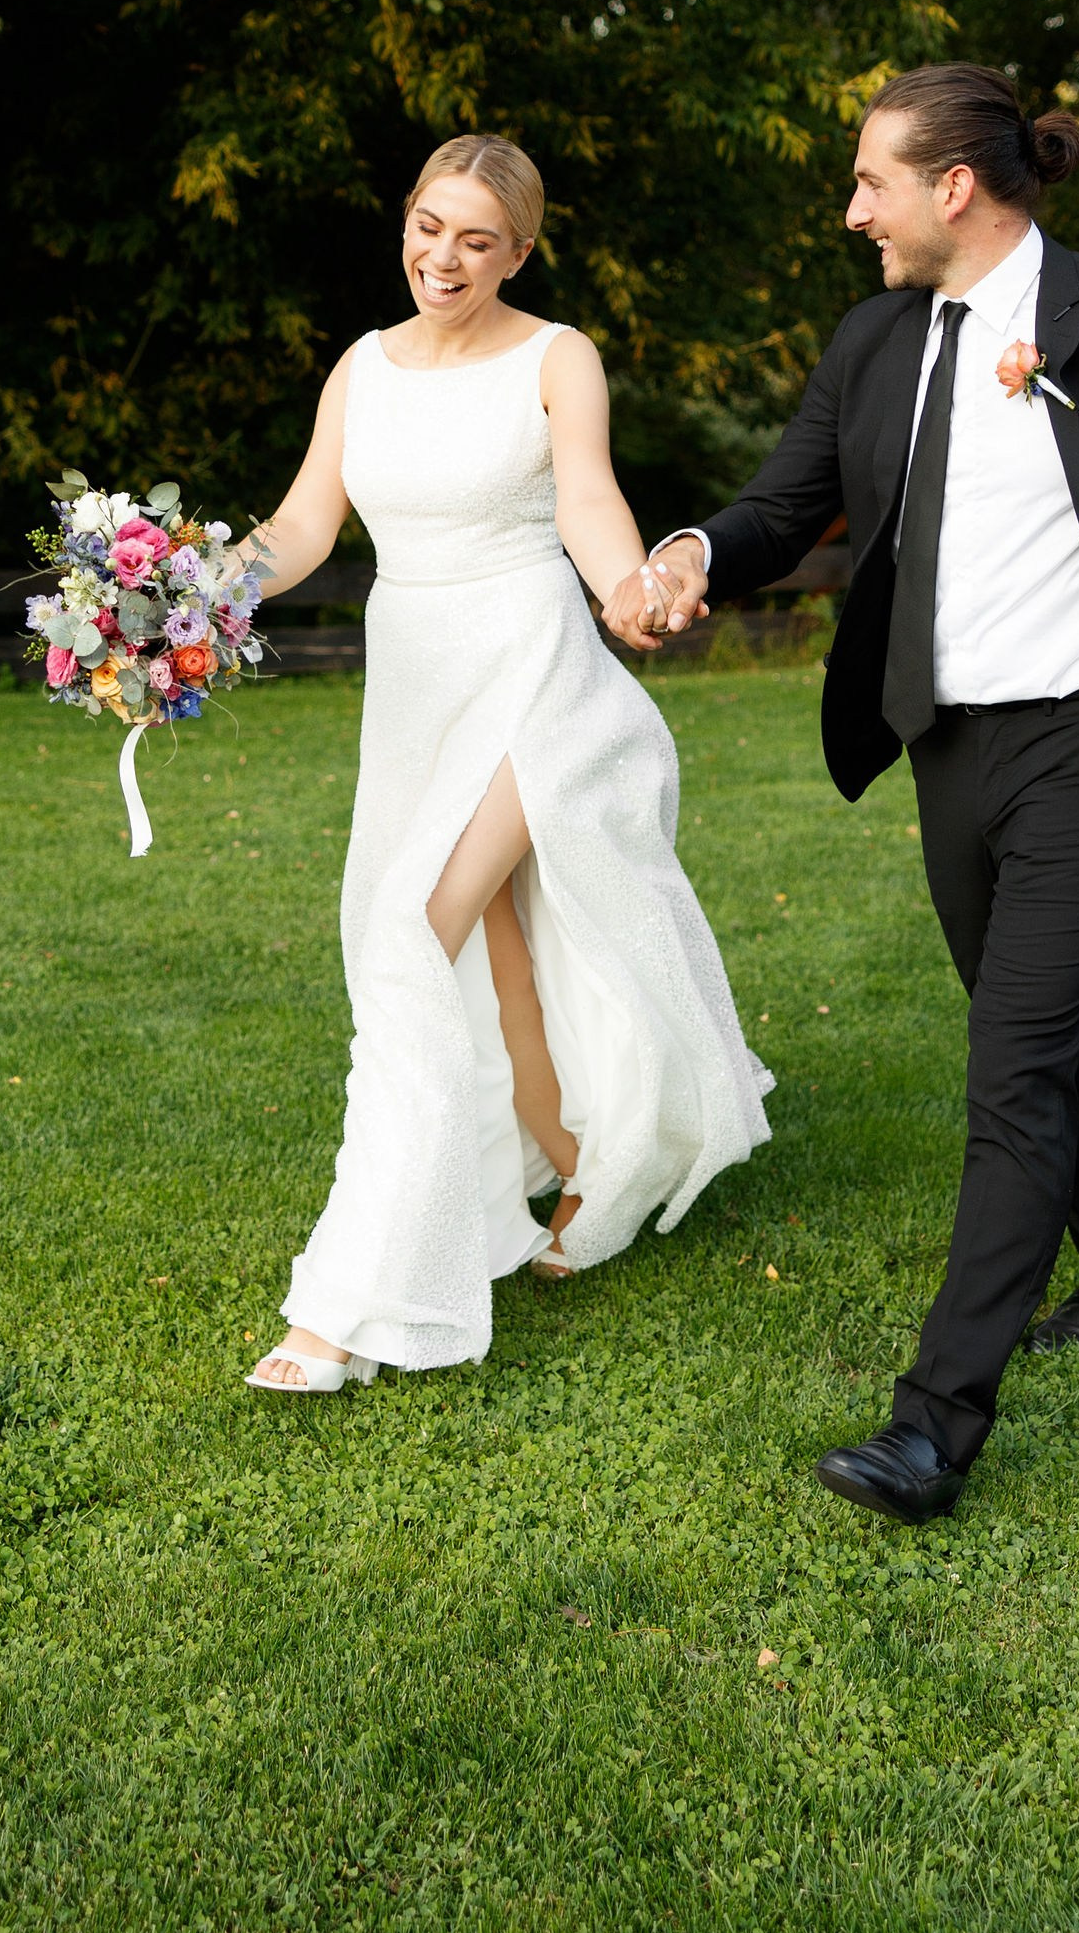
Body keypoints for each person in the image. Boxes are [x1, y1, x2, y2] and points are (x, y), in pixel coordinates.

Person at [604, 64, 1079, 1523]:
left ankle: (933, 1427)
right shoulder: (879, 339)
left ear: (952, 188)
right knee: (1030, 1028)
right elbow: (785, 504)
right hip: (950, 748)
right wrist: (700, 551)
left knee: (1013, 1067)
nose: (854, 213)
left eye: (870, 184)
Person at [234, 134, 771, 1394]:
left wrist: (629, 586)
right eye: (430, 226)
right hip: (419, 693)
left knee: (411, 932)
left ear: (519, 251)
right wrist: (184, 598)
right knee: (499, 944)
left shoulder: (555, 356)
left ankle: (352, 1303)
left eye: (478, 239)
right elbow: (307, 524)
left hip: (540, 682)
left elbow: (585, 496)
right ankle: (583, 1159)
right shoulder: (361, 369)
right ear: (407, 224)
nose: (446, 257)